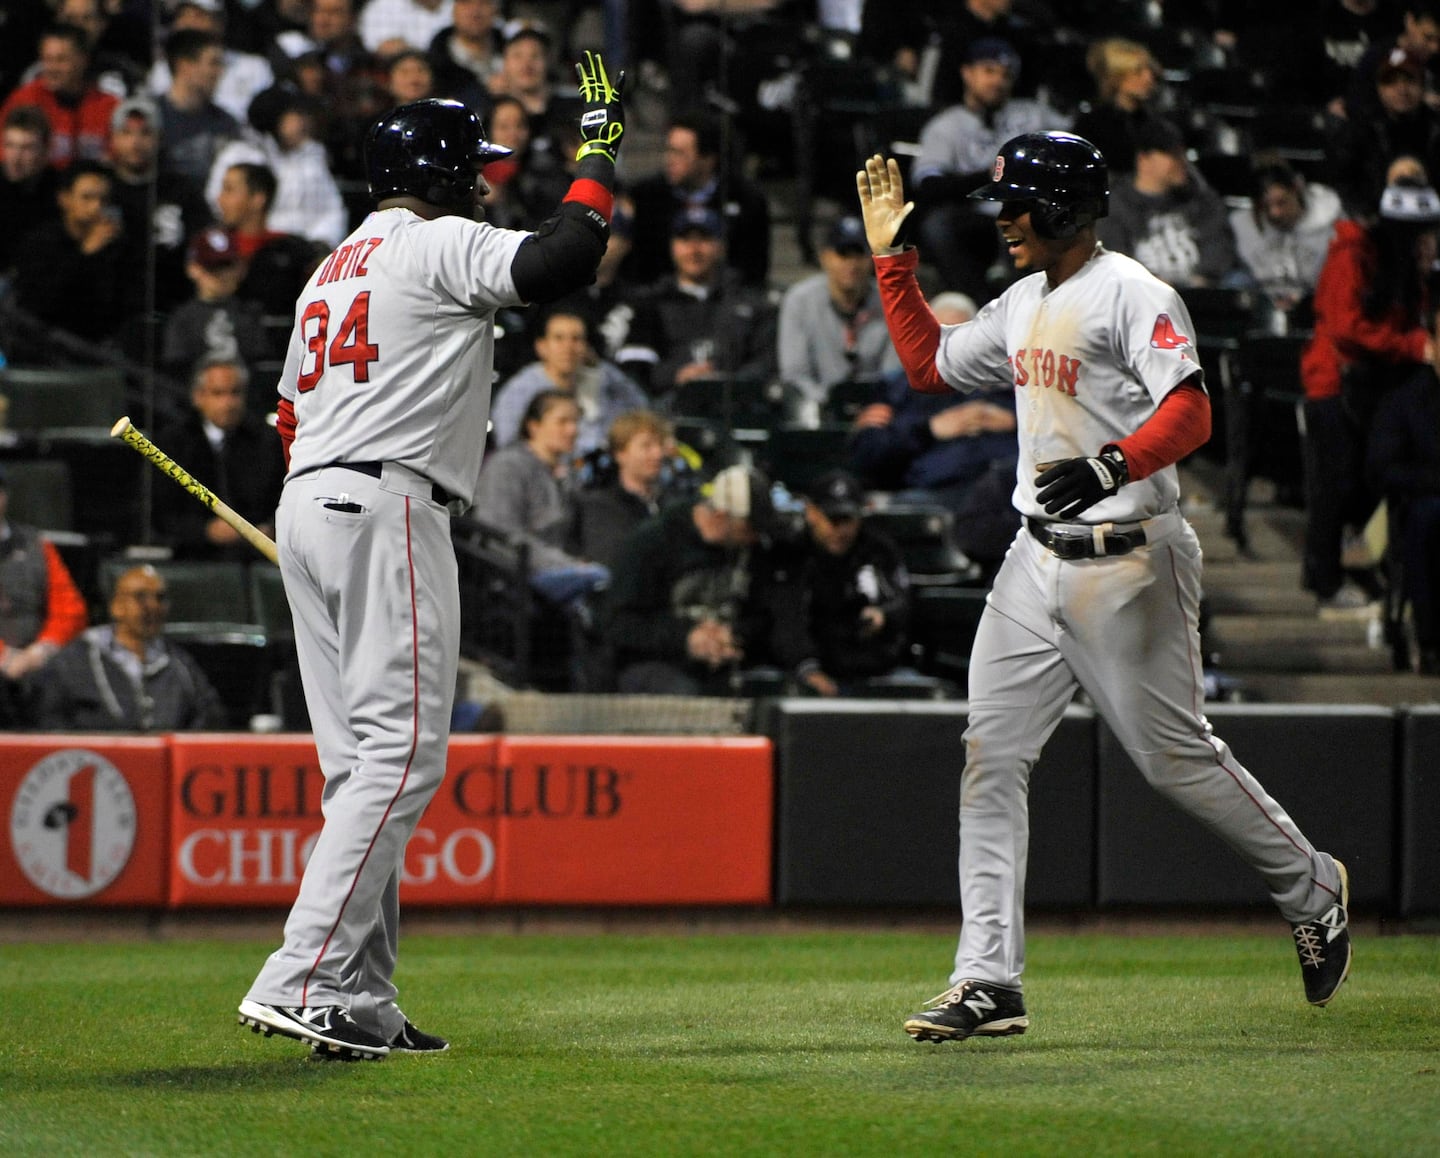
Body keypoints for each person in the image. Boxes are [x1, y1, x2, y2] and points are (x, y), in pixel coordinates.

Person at [855, 134, 1351, 1044]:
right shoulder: (1021, 299)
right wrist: (893, 261)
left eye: (1018, 202)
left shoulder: (1133, 291)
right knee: (991, 756)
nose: (1003, 217)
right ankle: (987, 979)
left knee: (1173, 759)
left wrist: (1114, 462)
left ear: (1065, 209)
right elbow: (930, 367)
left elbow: (1194, 408)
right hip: (1033, 556)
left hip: (1130, 560)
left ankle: (1309, 882)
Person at [237, 57, 627, 1061]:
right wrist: (599, 148)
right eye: (477, 166)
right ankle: (301, 975)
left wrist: (325, 496)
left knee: (353, 768)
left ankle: (358, 1001)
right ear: (443, 174)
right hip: (389, 504)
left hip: (314, 500)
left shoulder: (334, 265)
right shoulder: (433, 241)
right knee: (405, 755)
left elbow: (287, 412)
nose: (486, 180)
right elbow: (565, 258)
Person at [1300, 180, 1440, 612]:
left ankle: (1356, 569)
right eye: (1423, 233)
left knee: (1365, 485)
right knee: (1336, 486)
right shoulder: (1355, 254)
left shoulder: (1401, 267)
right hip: (1334, 385)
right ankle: (1325, 582)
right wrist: (1416, 345)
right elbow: (1345, 327)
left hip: (1373, 387)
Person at [848, 292, 1020, 569]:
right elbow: (867, 454)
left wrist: (1017, 421)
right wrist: (930, 429)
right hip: (934, 496)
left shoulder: (1014, 386)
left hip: (1006, 497)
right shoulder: (901, 389)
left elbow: (1068, 432)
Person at [911, 38, 1068, 304]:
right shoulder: (946, 125)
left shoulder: (1033, 114)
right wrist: (988, 178)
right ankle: (978, 304)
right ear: (967, 73)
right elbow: (928, 184)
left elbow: (1078, 141)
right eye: (989, 71)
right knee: (938, 224)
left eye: (1005, 75)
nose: (997, 81)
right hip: (977, 218)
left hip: (1035, 212)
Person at [602, 463, 781, 695]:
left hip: (727, 660)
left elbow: (763, 615)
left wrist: (734, 635)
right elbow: (618, 624)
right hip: (657, 662)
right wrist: (686, 639)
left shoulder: (753, 550)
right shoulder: (651, 543)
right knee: (683, 692)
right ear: (720, 516)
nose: (755, 537)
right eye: (748, 528)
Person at [28, 564, 226, 732]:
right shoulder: (74, 661)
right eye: (141, 597)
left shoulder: (180, 664)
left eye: (160, 598)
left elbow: (209, 717)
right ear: (116, 606)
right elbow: (49, 719)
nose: (153, 606)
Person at [770, 469, 912, 696]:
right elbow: (786, 621)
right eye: (833, 519)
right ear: (811, 513)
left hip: (877, 671)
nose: (841, 530)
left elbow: (902, 600)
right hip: (812, 671)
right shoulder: (792, 554)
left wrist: (884, 614)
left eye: (848, 519)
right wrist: (808, 669)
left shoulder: (878, 549)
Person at [619, 206, 777, 398]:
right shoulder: (649, 303)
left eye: (704, 239)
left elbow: (767, 362)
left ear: (721, 246)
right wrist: (677, 375)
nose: (694, 250)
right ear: (672, 246)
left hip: (736, 404)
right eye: (685, 240)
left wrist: (723, 381)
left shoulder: (751, 302)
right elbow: (635, 369)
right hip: (668, 406)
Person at [472, 388, 610, 605]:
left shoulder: (568, 474)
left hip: (559, 567)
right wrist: (567, 565)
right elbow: (500, 534)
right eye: (562, 422)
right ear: (534, 426)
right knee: (600, 580)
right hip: (515, 574)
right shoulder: (508, 465)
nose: (573, 430)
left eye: (576, 422)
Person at [152, 357, 286, 561]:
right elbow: (160, 513)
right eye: (218, 393)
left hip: (258, 557)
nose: (228, 403)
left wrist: (268, 530)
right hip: (193, 558)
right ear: (198, 396)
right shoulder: (173, 444)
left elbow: (282, 500)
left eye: (235, 393)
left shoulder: (268, 442)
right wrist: (206, 531)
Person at [622, 111, 772, 289]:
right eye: (669, 150)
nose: (670, 160)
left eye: (679, 153)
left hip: (727, 302)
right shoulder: (645, 197)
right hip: (657, 301)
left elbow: (754, 267)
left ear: (708, 159)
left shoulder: (746, 198)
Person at [777, 215, 899, 422]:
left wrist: (870, 408)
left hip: (878, 413)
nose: (851, 264)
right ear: (825, 257)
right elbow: (794, 373)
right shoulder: (799, 300)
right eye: (843, 254)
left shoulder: (893, 303)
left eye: (858, 254)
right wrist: (833, 405)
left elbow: (893, 373)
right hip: (817, 410)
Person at [1097, 116, 1241, 290]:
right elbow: (1114, 257)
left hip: (1199, 295)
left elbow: (1219, 244)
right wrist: (1153, 284)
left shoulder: (1200, 199)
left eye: (1182, 154)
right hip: (1139, 296)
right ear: (1144, 159)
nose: (1182, 162)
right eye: (1173, 155)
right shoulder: (1117, 203)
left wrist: (1203, 277)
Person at [203, 83, 348, 248]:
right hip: (249, 248)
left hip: (304, 251)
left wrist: (321, 243)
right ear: (274, 117)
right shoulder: (238, 155)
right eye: (295, 115)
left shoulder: (310, 156)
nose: (302, 122)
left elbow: (333, 210)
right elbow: (216, 203)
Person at [489, 308, 649, 455]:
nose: (568, 347)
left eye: (576, 339)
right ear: (542, 347)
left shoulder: (601, 379)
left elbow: (641, 411)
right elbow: (507, 446)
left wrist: (599, 369)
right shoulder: (521, 390)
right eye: (559, 338)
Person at [107, 96, 211, 321]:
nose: (135, 142)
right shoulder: (101, 190)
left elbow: (202, 242)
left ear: (159, 138)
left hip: (173, 308)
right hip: (112, 312)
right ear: (113, 138)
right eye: (126, 133)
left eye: (145, 133)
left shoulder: (181, 190)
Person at [1367, 352, 1440, 672]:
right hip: (1424, 500)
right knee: (1428, 518)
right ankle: (1430, 641)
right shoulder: (1407, 400)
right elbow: (1383, 468)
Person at [0, 466, 88, 724]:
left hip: (40, 663)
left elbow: (70, 609)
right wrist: (4, 657)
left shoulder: (35, 544)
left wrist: (40, 652)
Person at [11, 158, 125, 346]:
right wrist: (86, 254)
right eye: (87, 198)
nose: (96, 207)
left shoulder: (117, 245)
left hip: (100, 348)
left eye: (103, 199)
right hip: (44, 347)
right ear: (64, 199)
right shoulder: (40, 243)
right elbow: (39, 304)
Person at [1327, 46, 1440, 218]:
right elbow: (1343, 178)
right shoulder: (1360, 127)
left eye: (1410, 80)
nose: (1401, 89)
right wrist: (1364, 214)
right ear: (1379, 88)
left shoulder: (1436, 125)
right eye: (1391, 81)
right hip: (1378, 222)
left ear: (1423, 84)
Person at [1229, 161, 1344, 325]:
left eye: (1281, 202)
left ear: (1295, 190)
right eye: (1266, 206)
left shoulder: (1331, 225)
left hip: (1316, 311)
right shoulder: (1242, 225)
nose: (1274, 213)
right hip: (1260, 312)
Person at [160, 226, 274, 385]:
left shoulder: (251, 314)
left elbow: (260, 366)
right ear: (193, 269)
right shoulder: (182, 319)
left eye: (227, 265)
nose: (222, 275)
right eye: (212, 267)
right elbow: (176, 371)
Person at [211, 160, 323, 317]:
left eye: (229, 190)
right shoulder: (210, 248)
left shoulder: (294, 253)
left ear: (258, 199)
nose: (219, 199)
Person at [0, 23, 120, 169]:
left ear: (83, 60)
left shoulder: (109, 107)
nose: (52, 68)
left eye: (61, 60)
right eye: (47, 59)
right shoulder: (24, 101)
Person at [570, 408, 675, 571]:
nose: (658, 454)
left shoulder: (671, 502)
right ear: (620, 454)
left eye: (660, 445)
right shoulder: (600, 505)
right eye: (646, 446)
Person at [145, 0, 275, 125]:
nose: (188, 22)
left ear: (219, 22)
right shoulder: (162, 70)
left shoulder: (254, 67)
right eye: (182, 15)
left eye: (198, 15)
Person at [1070, 38, 1167, 178]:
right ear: (1115, 77)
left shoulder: (1157, 124)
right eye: (1138, 71)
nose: (1149, 78)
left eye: (1150, 71)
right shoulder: (1091, 127)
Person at [157, 28, 242, 188]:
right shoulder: (152, 115)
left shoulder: (225, 123)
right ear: (184, 65)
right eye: (213, 63)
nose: (220, 72)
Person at [0, 106, 59, 277]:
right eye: (10, 145)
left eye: (27, 148)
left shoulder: (59, 190)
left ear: (46, 150)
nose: (15, 157)